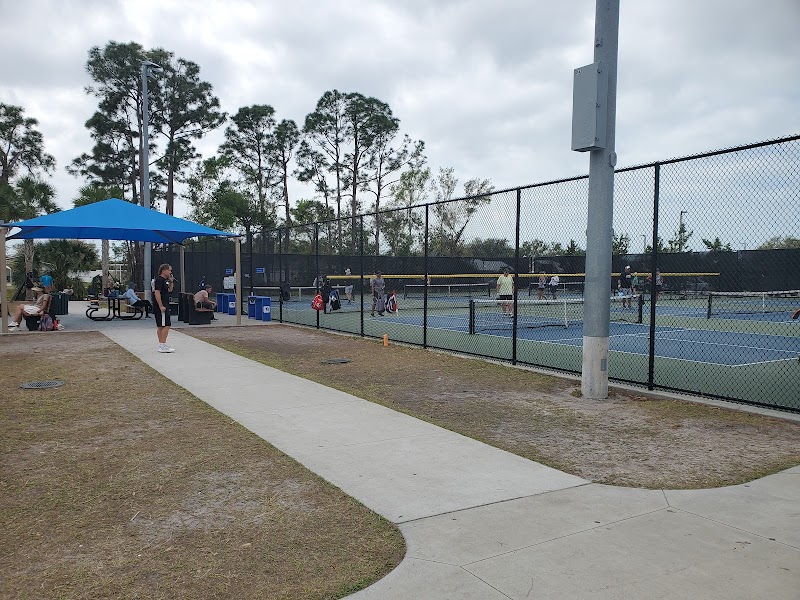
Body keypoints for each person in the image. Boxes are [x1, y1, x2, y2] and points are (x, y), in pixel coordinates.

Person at [153, 263, 176, 353]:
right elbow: (157, 293)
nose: (170, 272)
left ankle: (162, 344)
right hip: (161, 306)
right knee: (166, 325)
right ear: (164, 270)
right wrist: (161, 305)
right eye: (169, 270)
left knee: (161, 325)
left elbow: (170, 290)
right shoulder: (159, 280)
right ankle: (162, 345)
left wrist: (171, 281)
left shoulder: (165, 280)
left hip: (165, 304)